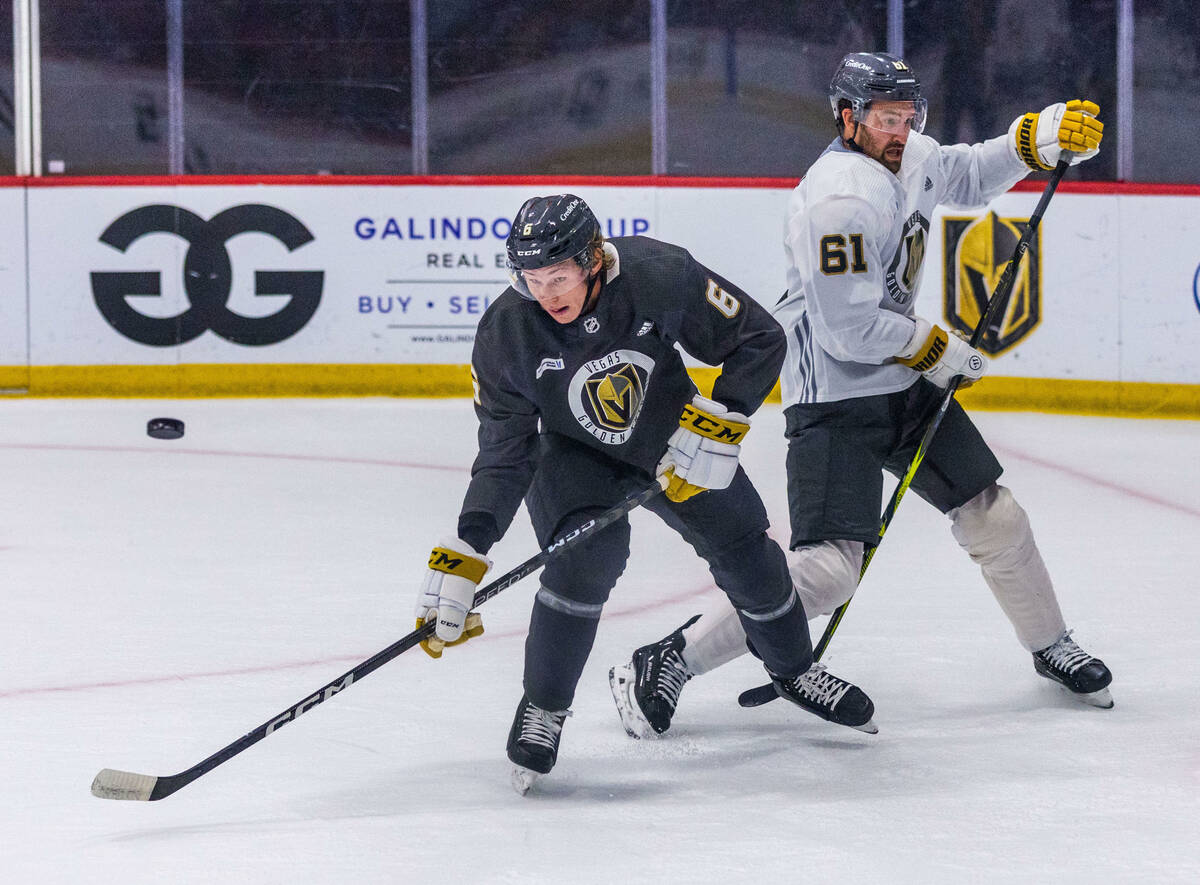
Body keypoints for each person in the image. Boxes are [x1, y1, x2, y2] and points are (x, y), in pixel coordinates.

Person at [609, 51, 1113, 741]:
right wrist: (936, 347)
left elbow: (963, 173)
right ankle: (671, 657)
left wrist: (1032, 141)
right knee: (826, 572)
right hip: (834, 400)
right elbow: (848, 330)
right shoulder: (837, 198)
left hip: (903, 382)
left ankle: (1050, 642)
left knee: (995, 516)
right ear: (848, 118)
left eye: (908, 117)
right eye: (885, 118)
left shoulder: (909, 155)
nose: (900, 130)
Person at [415, 194, 877, 795]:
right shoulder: (505, 333)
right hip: (574, 461)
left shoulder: (660, 274)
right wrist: (466, 548)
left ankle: (794, 669)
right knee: (584, 561)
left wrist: (721, 419)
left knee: (745, 546)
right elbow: (505, 455)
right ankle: (545, 707)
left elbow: (759, 338)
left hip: (673, 440)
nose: (547, 294)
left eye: (558, 277)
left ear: (593, 261)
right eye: (532, 280)